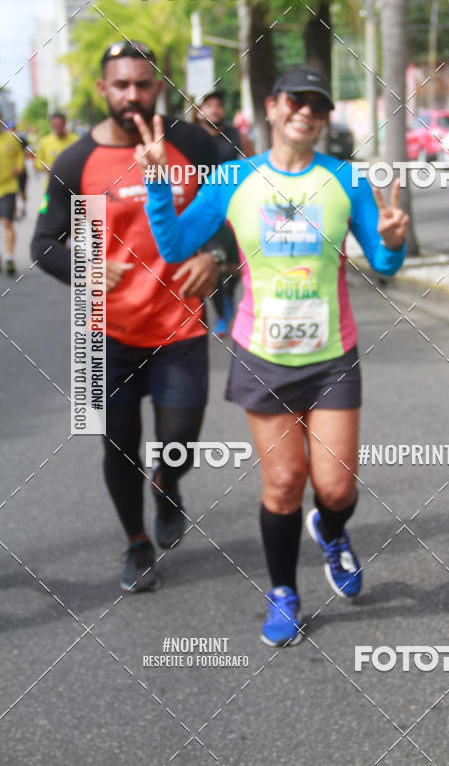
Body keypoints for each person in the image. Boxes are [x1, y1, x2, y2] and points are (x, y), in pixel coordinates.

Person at [143, 66, 410, 646]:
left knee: (335, 489)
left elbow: (385, 267)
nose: (307, 112)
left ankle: (332, 532)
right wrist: (160, 188)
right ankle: (284, 592)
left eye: (319, 104)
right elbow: (175, 246)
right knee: (284, 482)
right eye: (297, 100)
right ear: (271, 106)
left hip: (331, 355)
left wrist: (392, 241)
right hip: (262, 355)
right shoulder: (232, 179)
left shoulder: (348, 182)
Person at [31, 40, 220, 592]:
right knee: (117, 444)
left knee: (179, 438)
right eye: (121, 85)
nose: (132, 95)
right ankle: (137, 545)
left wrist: (217, 254)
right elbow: (45, 243)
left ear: (158, 86)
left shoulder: (191, 144)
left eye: (142, 84)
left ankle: (168, 483)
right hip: (101, 333)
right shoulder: (75, 161)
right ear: (103, 91)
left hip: (179, 325)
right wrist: (85, 269)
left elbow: (236, 204)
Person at [192, 91, 255, 336]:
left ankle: (229, 297)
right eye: (209, 105)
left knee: (236, 264)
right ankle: (222, 313)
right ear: (199, 111)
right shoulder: (192, 138)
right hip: (204, 211)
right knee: (214, 263)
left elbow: (255, 165)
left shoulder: (237, 136)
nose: (215, 110)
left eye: (218, 105)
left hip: (235, 209)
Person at [0, 116, 25, 275]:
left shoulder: (11, 138)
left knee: (7, 222)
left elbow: (20, 156)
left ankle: (9, 257)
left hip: (8, 187)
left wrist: (19, 167)